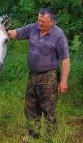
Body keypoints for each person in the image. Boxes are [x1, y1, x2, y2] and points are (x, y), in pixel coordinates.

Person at [8, 8, 70, 141]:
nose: (39, 23)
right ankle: (33, 137)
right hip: (33, 75)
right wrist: (12, 33)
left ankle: (49, 138)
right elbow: (18, 32)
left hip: (49, 77)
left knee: (48, 109)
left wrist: (63, 81)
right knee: (30, 107)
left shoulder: (59, 36)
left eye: (43, 21)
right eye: (38, 20)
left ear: (51, 22)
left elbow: (65, 59)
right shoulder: (33, 28)